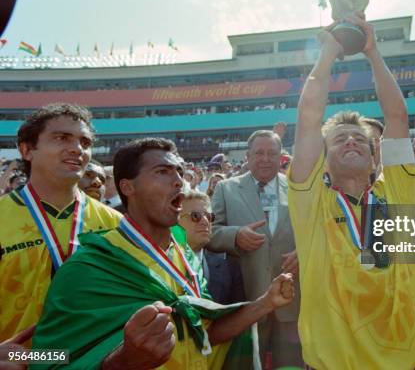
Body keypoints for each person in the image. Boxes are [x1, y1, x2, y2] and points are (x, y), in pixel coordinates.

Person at [31, 138, 294, 369]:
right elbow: (44, 357)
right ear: (128, 187)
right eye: (163, 171)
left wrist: (266, 302)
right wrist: (123, 360)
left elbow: (206, 333)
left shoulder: (186, 258)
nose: (178, 179)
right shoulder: (87, 268)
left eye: (179, 171)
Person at [287, 15, 415, 369]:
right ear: (322, 161)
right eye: (339, 139)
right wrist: (328, 53)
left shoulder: (395, 191)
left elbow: (397, 116)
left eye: (360, 140)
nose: (351, 140)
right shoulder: (311, 203)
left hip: (410, 362)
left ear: (374, 157)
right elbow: (309, 116)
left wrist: (373, 52)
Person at [0, 103, 122, 344]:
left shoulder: (116, 224)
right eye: (62, 138)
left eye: (85, 143)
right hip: (22, 360)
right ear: (26, 150)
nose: (77, 149)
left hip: (90, 362)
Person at [209, 129, 302, 368]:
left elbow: (313, 232)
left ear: (281, 157)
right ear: (248, 156)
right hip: (246, 301)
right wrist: (235, 235)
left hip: (290, 300)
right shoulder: (225, 189)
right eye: (259, 153)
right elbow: (209, 233)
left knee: (290, 365)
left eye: (272, 153)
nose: (265, 159)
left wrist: (303, 251)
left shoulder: (298, 189)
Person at [178, 190, 245, 305]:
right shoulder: (159, 263)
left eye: (209, 217)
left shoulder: (229, 267)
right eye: (195, 216)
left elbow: (239, 315)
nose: (205, 222)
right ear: (176, 221)